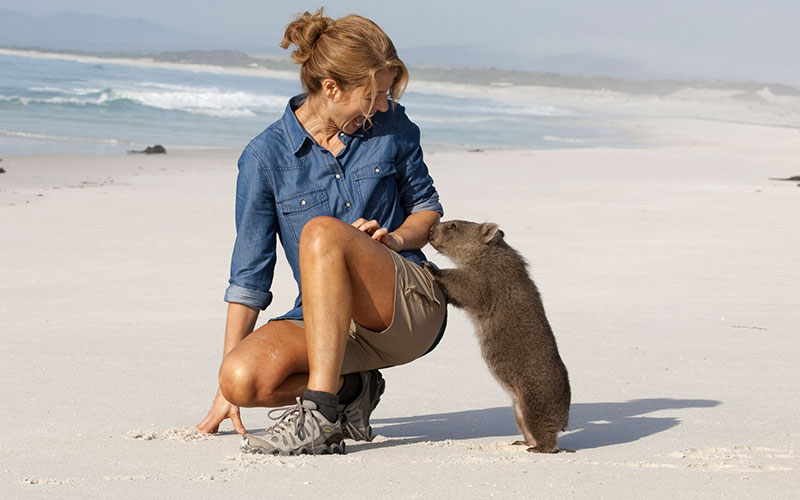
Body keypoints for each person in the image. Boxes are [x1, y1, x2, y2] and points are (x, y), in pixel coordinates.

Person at [195, 8, 447, 456]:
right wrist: (224, 387)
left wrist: (393, 240)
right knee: (242, 380)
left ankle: (321, 417)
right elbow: (249, 276)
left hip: (405, 306)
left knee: (321, 233)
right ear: (331, 89)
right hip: (325, 324)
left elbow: (427, 211)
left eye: (386, 95)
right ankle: (353, 390)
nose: (382, 107)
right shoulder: (264, 158)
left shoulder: (393, 126)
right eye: (372, 96)